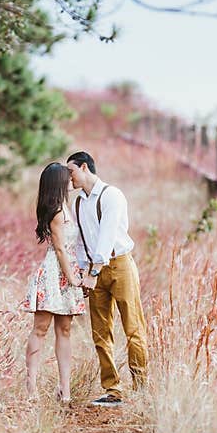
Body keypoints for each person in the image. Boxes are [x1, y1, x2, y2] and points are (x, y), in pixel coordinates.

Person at [67, 151, 148, 407]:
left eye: (71, 171)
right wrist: (83, 271)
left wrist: (93, 272)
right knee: (100, 331)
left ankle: (141, 387)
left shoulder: (111, 195)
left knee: (132, 327)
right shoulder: (78, 202)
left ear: (83, 167)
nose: (69, 178)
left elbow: (107, 235)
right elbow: (80, 241)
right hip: (93, 271)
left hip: (119, 265)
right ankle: (113, 390)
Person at [21, 162, 85, 403]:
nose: (71, 180)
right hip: (55, 274)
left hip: (67, 272)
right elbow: (59, 249)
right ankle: (31, 387)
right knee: (41, 328)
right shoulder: (57, 211)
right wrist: (72, 279)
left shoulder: (66, 206)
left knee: (65, 331)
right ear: (58, 182)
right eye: (66, 177)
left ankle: (64, 389)